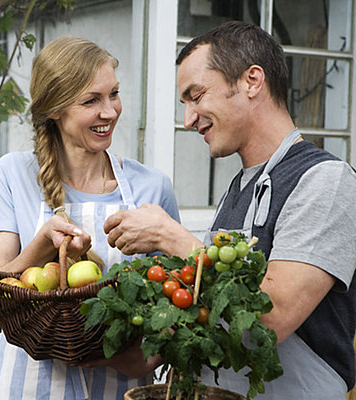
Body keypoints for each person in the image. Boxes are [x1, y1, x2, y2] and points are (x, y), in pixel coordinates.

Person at [104, 21, 356, 399]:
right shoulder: (237, 191)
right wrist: (104, 343)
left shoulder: (325, 180)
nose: (189, 119)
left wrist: (170, 237)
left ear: (252, 81)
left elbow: (274, 316)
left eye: (196, 95)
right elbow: (210, 315)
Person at [0, 36, 180, 399]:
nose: (110, 112)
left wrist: (148, 357)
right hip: (27, 386)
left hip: (119, 386)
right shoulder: (15, 174)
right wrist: (40, 247)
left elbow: (175, 300)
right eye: (91, 100)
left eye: (114, 94)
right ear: (54, 108)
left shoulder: (152, 187)